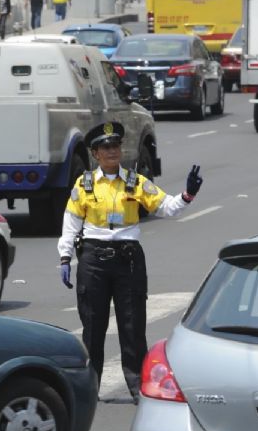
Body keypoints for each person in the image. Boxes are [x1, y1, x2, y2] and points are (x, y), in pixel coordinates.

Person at [57, 122, 204, 403]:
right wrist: (65, 256)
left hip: (128, 259)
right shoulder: (84, 184)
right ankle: (90, 387)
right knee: (93, 325)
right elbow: (71, 222)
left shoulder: (135, 182)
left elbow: (166, 207)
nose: (112, 152)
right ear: (95, 153)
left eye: (115, 146)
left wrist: (187, 195)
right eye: (106, 148)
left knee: (132, 325)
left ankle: (138, 388)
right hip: (93, 259)